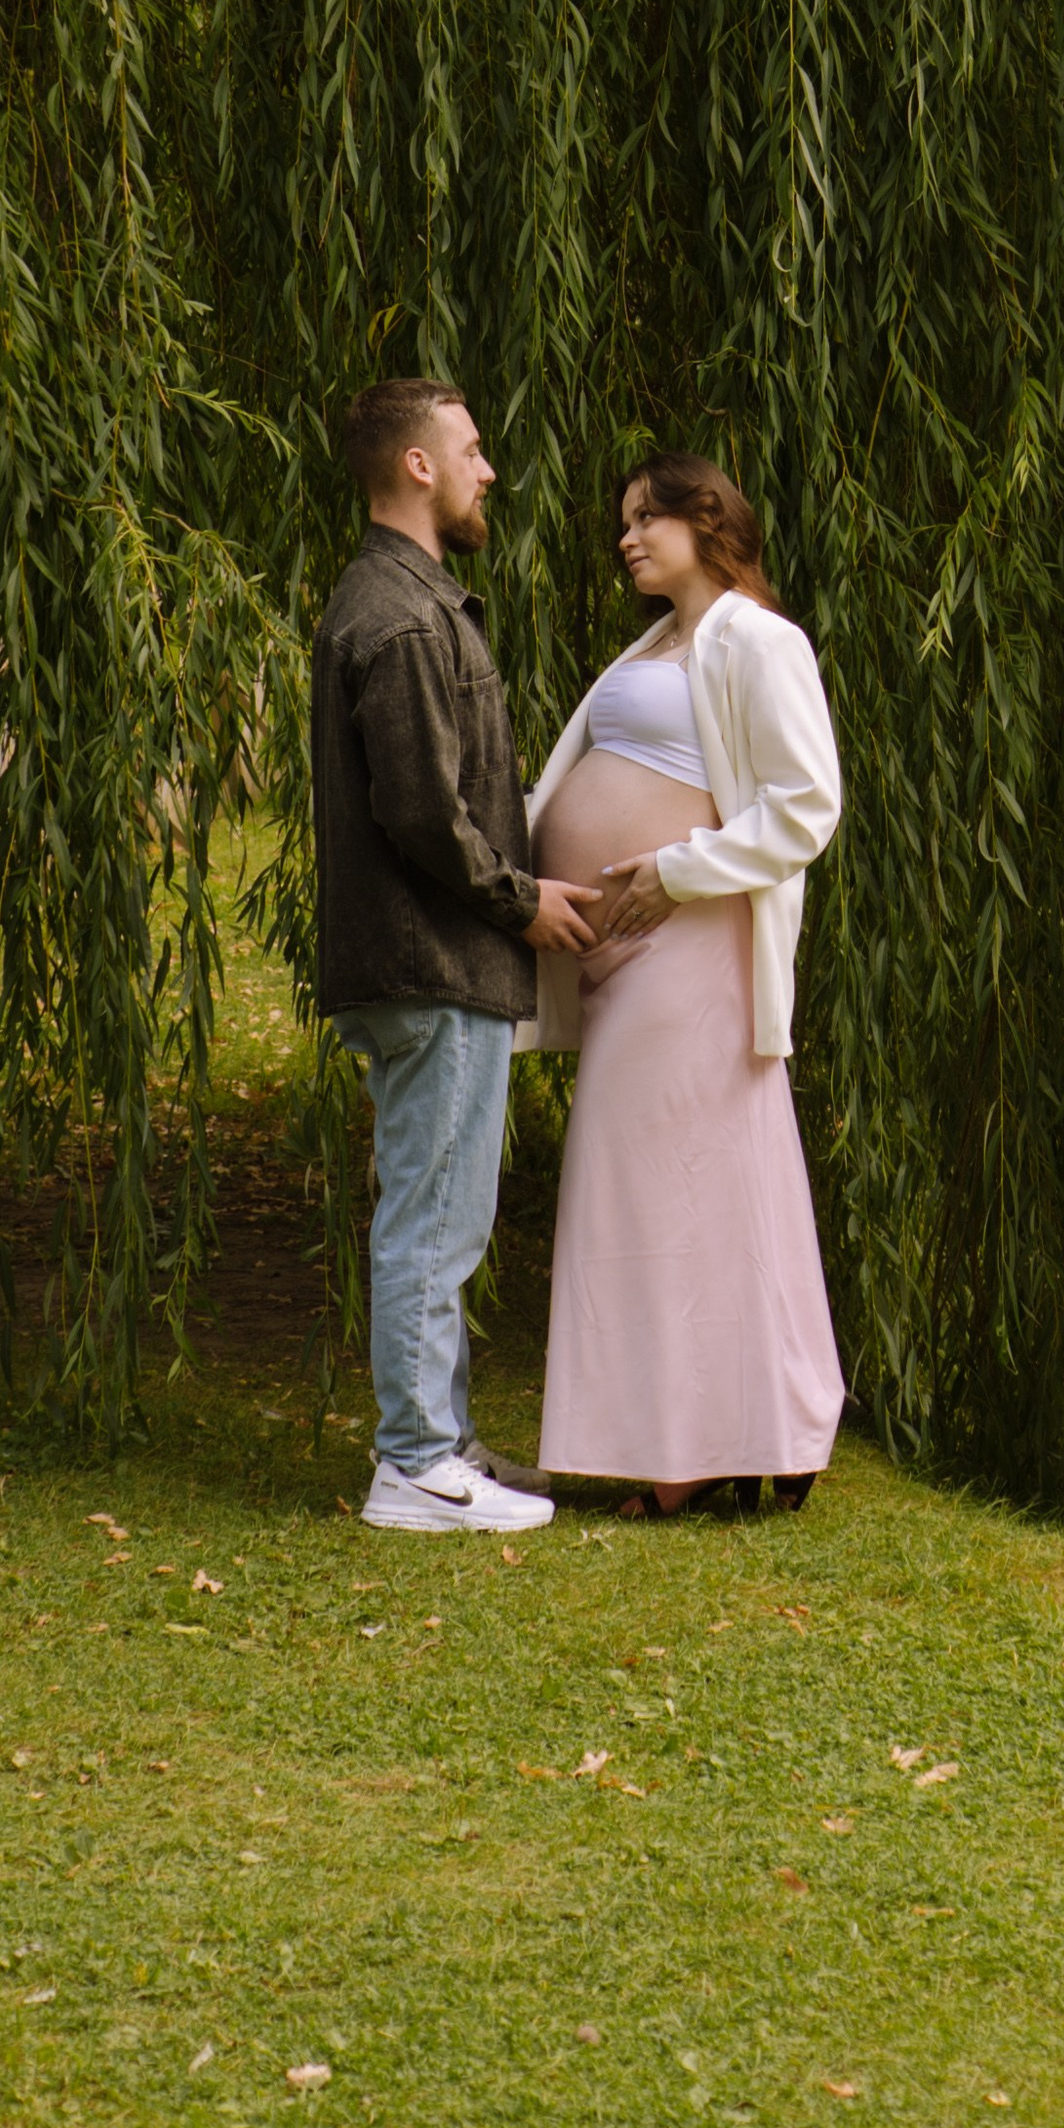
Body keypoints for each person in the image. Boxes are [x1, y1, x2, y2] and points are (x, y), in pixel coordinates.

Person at [528, 452, 845, 1514]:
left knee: (670, 1189)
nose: (625, 536)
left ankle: (693, 1454)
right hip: (625, 953)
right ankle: (715, 1437)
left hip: (693, 945)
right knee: (666, 1188)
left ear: (706, 522)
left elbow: (805, 806)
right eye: (621, 519)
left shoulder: (760, 641)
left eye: (646, 517)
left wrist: (673, 871)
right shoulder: (658, 642)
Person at [312, 377, 601, 1531]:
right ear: (418, 467)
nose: (489, 470)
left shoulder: (406, 602)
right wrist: (519, 900)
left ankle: (449, 1446)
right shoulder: (401, 618)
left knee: (443, 1208)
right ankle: (415, 1465)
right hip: (431, 960)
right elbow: (425, 809)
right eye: (472, 450)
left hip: (428, 963)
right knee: (434, 1216)